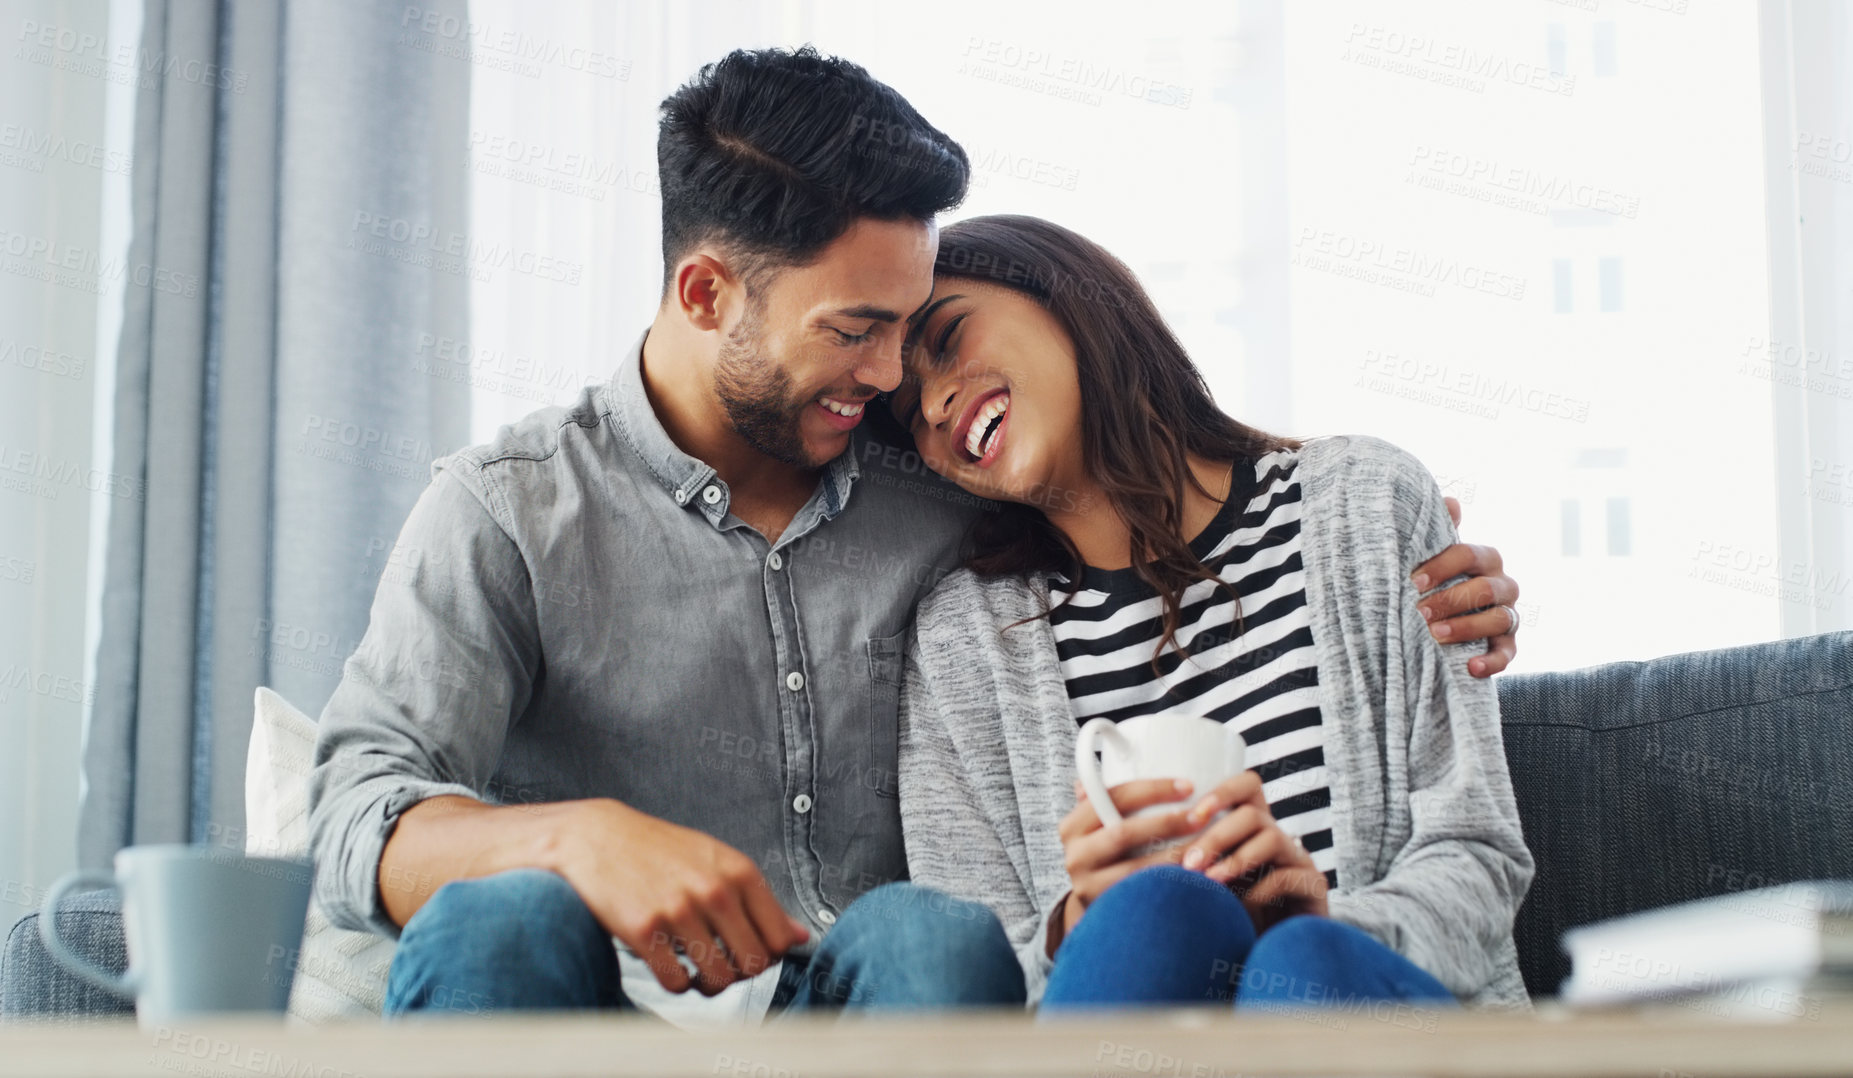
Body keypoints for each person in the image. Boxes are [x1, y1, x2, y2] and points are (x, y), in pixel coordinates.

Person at [308, 47, 1522, 1026]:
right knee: (501, 916)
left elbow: (1130, 473)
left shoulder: (943, 491)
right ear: (704, 294)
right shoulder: (511, 511)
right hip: (611, 1002)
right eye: (858, 334)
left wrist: (1410, 543)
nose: (893, 383)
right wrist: (579, 837)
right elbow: (353, 810)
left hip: (877, 1002)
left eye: (918, 332)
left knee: (943, 936)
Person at [893, 215, 1534, 1014]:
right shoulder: (962, 646)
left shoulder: (1367, 507)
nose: (933, 400)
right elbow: (975, 992)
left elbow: (1477, 856)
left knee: (1305, 961)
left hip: (1370, 1019)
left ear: (1061, 295)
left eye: (948, 338)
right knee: (1155, 911)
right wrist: (1079, 921)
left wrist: (1324, 922)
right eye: (905, 412)